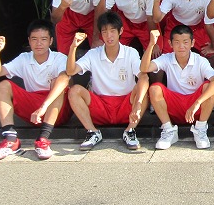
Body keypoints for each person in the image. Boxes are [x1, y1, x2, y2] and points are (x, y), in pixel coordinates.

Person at [37, 12, 149, 151]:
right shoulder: (93, 54)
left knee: (143, 87)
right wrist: (73, 47)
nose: (109, 36)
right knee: (74, 90)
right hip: (100, 106)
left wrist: (138, 104)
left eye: (112, 31)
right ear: (100, 34)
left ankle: (130, 131)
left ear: (120, 31)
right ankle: (92, 132)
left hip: (126, 106)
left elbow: (143, 77)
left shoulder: (130, 52)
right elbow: (71, 71)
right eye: (104, 31)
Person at [0, 20, 71, 161]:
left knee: (58, 83)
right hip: (34, 111)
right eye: (34, 39)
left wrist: (44, 107)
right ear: (29, 41)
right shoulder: (24, 58)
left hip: (57, 111)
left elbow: (64, 79)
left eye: (43, 39)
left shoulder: (59, 58)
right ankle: (10, 139)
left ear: (51, 41)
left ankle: (43, 139)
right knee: (3, 85)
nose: (39, 43)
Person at [140, 26, 214, 150]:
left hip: (195, 107)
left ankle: (200, 129)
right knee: (155, 88)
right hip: (174, 104)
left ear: (192, 43)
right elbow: (144, 68)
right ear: (170, 44)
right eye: (177, 42)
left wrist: (197, 103)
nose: (181, 46)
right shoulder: (167, 58)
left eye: (185, 42)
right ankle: (169, 130)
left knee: (208, 87)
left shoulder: (200, 61)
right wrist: (151, 44)